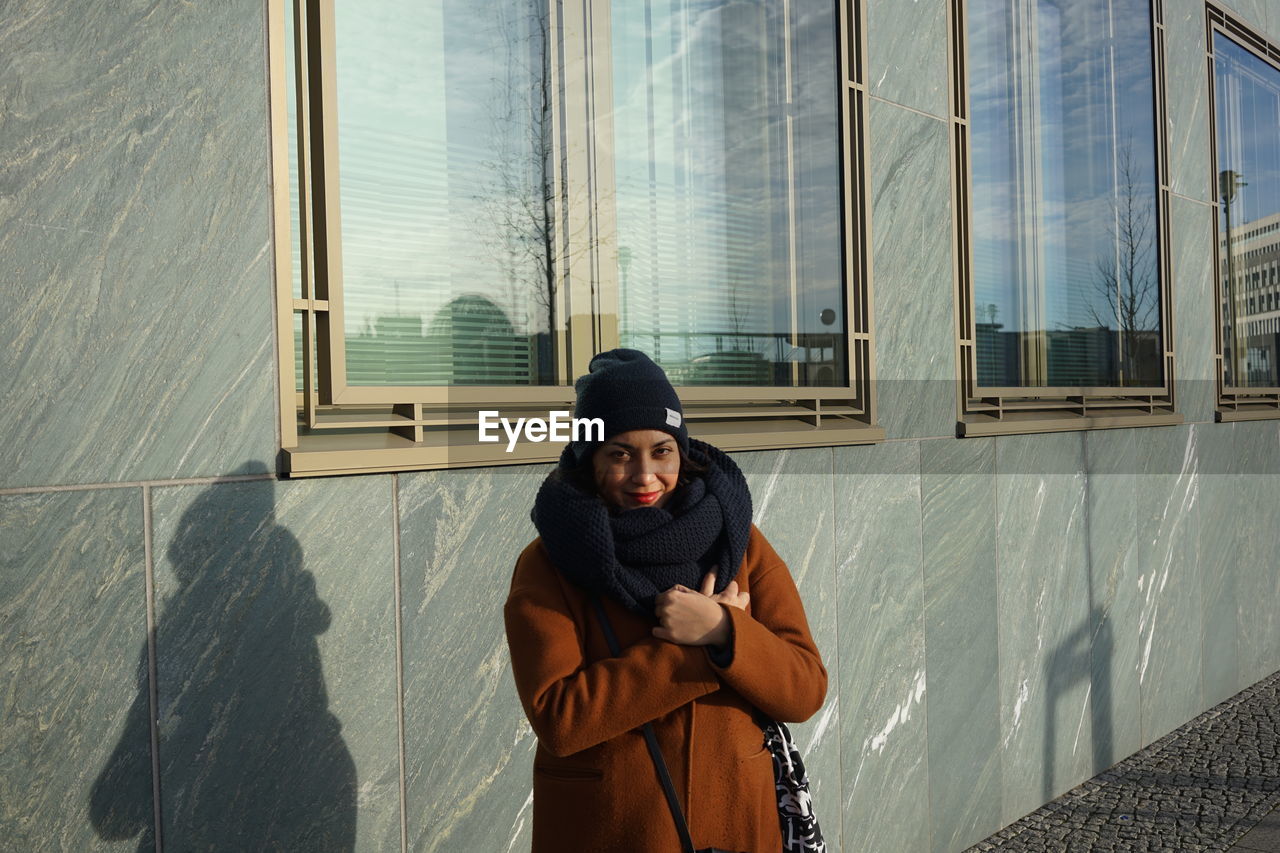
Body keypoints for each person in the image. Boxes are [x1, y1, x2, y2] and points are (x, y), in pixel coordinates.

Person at [504, 349, 827, 852]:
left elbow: (804, 689)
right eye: (619, 454)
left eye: (662, 451)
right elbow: (560, 720)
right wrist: (695, 648)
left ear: (682, 451)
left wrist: (724, 632)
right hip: (614, 832)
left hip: (736, 823)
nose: (644, 475)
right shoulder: (550, 563)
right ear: (590, 459)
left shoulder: (737, 540)